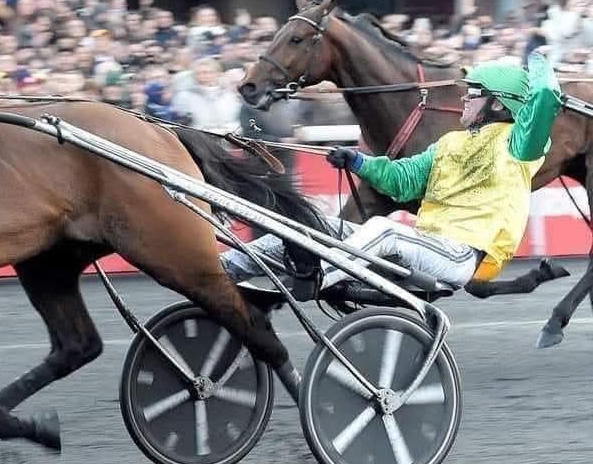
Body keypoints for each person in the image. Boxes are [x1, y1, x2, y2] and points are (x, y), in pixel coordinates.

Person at [220, 54, 565, 293]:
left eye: (472, 94)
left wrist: (534, 56)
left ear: (499, 105)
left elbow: (547, 93)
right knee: (311, 224)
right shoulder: (449, 143)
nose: (463, 100)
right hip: (426, 247)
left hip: (463, 255)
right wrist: (357, 162)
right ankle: (223, 269)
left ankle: (322, 275)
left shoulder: (520, 147)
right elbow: (401, 180)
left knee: (385, 230)